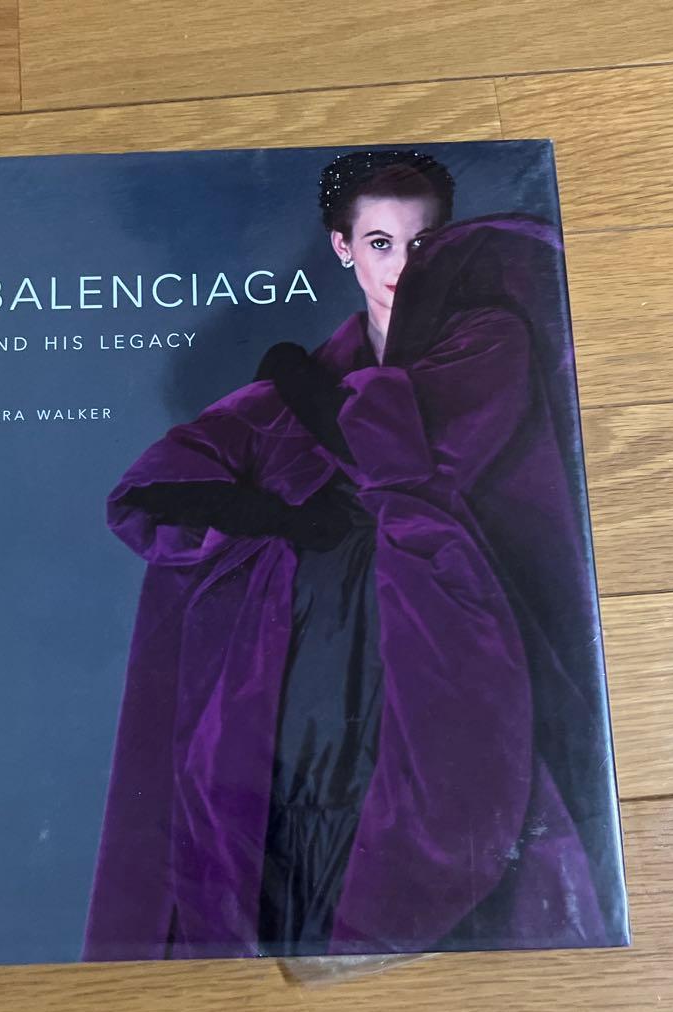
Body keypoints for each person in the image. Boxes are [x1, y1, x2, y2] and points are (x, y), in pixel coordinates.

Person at [81, 150, 626, 962]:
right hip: (301, 670)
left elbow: (398, 444)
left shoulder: (488, 342)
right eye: (379, 242)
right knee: (282, 861)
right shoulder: (307, 381)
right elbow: (160, 485)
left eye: (422, 242)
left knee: (432, 859)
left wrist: (293, 381)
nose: (401, 265)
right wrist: (272, 511)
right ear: (342, 248)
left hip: (432, 653)